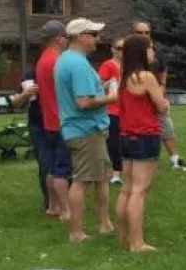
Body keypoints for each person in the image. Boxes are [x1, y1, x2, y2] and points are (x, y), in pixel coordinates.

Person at [55, 18, 117, 242]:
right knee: (82, 180)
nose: (97, 39)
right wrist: (110, 97)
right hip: (85, 130)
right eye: (93, 34)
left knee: (101, 177)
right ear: (81, 36)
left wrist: (101, 87)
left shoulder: (67, 59)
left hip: (83, 129)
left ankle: (105, 223)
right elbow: (83, 102)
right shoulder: (79, 64)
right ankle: (77, 233)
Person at [115, 34, 168, 252]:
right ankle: (137, 242)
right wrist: (163, 101)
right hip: (145, 135)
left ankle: (123, 236)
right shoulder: (145, 77)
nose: (153, 51)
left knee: (127, 188)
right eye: (150, 48)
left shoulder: (125, 77)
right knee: (140, 190)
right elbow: (162, 105)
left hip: (127, 135)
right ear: (142, 51)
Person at [133, 21, 186, 171]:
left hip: (156, 96)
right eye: (140, 33)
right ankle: (140, 160)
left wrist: (162, 86)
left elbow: (163, 68)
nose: (143, 36)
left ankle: (175, 159)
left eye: (146, 33)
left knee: (165, 124)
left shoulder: (156, 50)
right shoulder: (131, 52)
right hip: (139, 99)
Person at [35, 20, 72, 221]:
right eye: (65, 37)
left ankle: (53, 206)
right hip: (61, 120)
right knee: (62, 169)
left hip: (48, 120)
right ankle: (66, 210)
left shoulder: (42, 60)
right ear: (58, 38)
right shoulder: (57, 61)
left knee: (51, 168)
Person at [12, 68, 48, 212]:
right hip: (38, 125)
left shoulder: (62, 70)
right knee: (45, 164)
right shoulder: (30, 76)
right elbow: (16, 103)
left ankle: (66, 200)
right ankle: (50, 202)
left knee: (64, 164)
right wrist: (26, 94)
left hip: (61, 124)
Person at [98, 39, 124, 185]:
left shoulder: (128, 65)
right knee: (113, 142)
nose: (122, 51)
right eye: (119, 48)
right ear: (113, 49)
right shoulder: (108, 65)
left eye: (124, 48)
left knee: (123, 142)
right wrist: (111, 83)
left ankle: (118, 172)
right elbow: (99, 85)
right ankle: (114, 173)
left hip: (126, 109)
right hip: (111, 109)